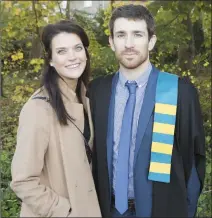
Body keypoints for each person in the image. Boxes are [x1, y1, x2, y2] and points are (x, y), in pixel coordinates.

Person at [88, 4, 205, 218]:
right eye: (121, 35)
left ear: (151, 41)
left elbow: (194, 160)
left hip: (161, 209)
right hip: (107, 209)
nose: (129, 44)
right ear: (111, 42)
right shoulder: (97, 92)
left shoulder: (179, 91)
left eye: (138, 34)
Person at [10, 20, 101, 217]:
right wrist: (64, 211)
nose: (72, 57)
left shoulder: (87, 98)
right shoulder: (38, 108)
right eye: (62, 51)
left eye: (78, 48)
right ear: (50, 60)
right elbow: (22, 180)